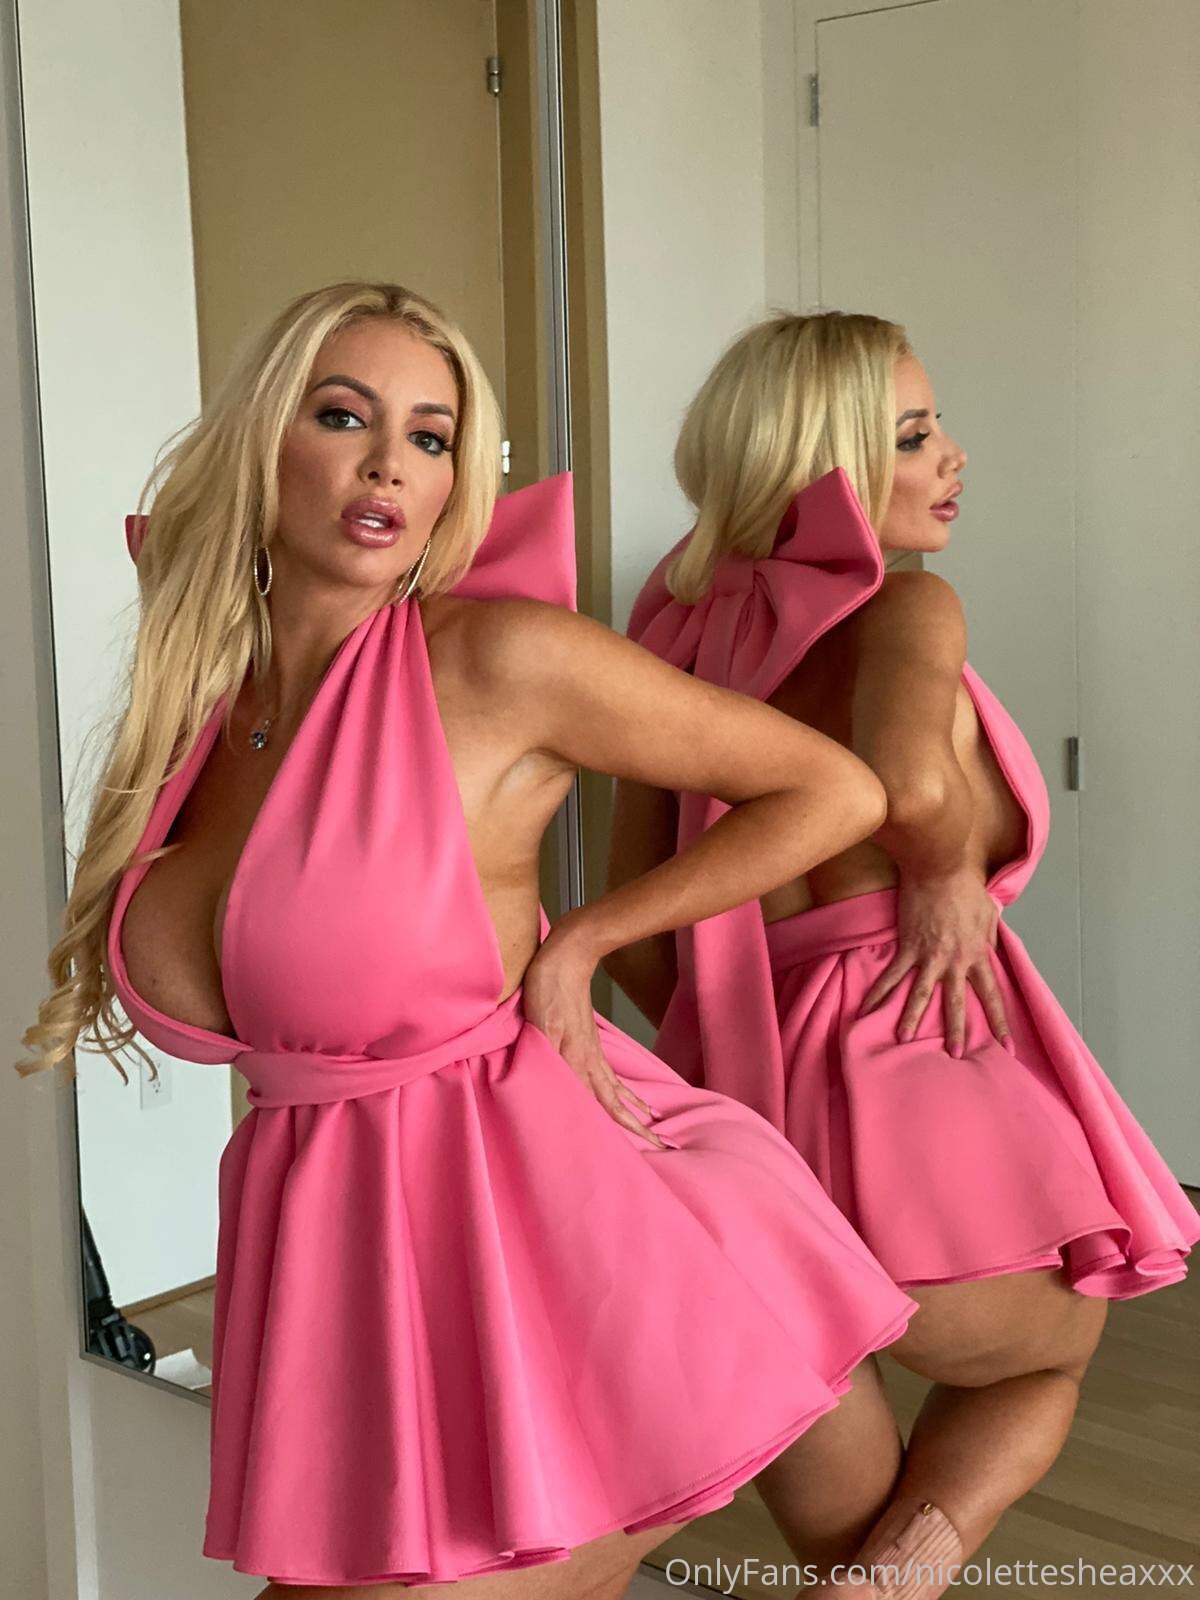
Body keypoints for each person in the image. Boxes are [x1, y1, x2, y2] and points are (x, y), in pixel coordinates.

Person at [17, 284, 921, 1600]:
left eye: (432, 436)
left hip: (538, 1213)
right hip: (336, 1251)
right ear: (265, 441)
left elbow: (833, 790)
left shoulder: (498, 661)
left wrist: (583, 944)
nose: (391, 463)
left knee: (864, 1541)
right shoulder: (207, 705)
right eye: (345, 417)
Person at [613, 310, 1200, 1599]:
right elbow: (908, 781)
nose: (953, 455)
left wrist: (745, 1040)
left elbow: (634, 922)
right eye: (916, 434)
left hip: (751, 1120)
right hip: (917, 1072)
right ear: (823, 467)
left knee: (840, 1490)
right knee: (1049, 1358)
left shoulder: (681, 641)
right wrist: (939, 875)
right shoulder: (909, 606)